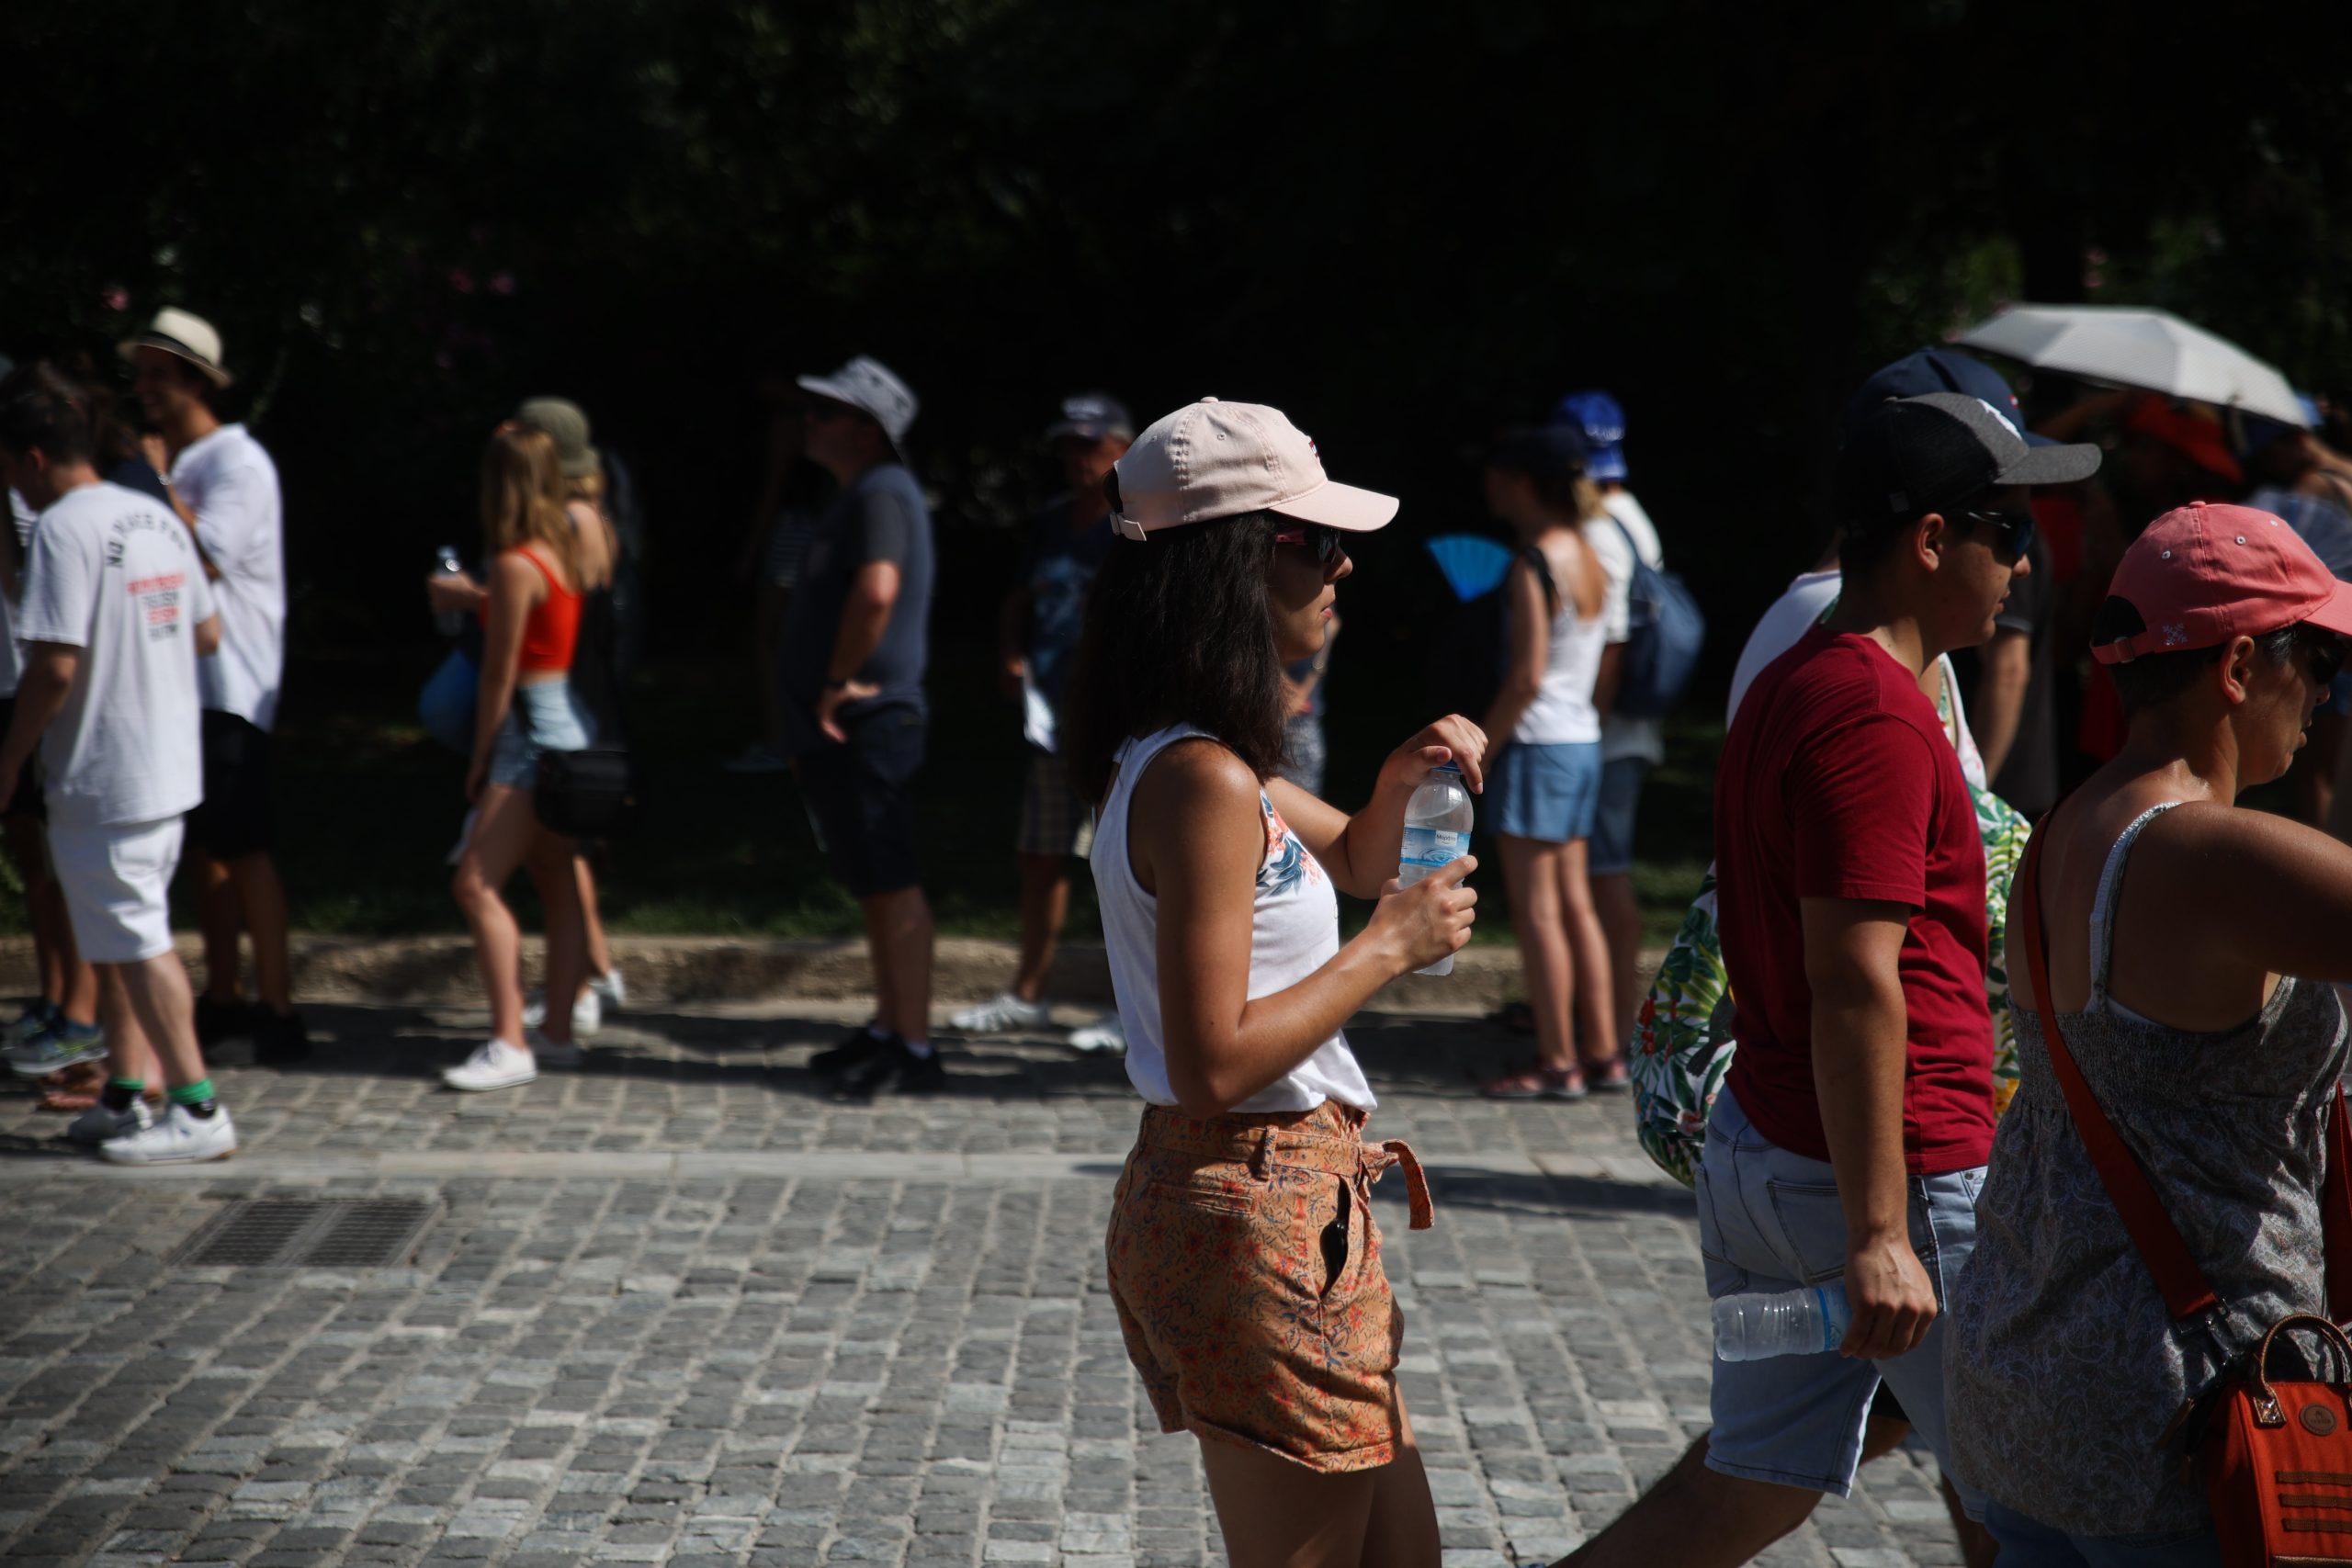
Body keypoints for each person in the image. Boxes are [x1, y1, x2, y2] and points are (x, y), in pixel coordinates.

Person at [1563, 392, 2100, 1568]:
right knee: (2047, 1513)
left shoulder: (1799, 681)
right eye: (2007, 533)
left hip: (1772, 1157)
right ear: (1929, 540)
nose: (2024, 565)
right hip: (1899, 1185)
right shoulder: (1874, 718)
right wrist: (1879, 1233)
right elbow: (1855, 980)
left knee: (1744, 1487)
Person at [1063, 396, 1478, 1568]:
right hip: (1249, 1205)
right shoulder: (1197, 777)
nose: (1343, 564)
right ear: (1233, 563)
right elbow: (1211, 1064)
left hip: (1288, 1205)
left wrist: (1394, 784)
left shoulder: (1215, 762)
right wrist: (1386, 949)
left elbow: (1354, 861)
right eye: (1315, 539)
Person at [1948, 502, 2352, 1562]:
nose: (2324, 695)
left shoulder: (2057, 835)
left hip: (2026, 1377)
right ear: (2237, 666)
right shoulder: (2210, 856)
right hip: (2183, 1418)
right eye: (2317, 661)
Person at [0, 362, 231, 1163]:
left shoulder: (63, 529)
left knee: (137, 939)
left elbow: (54, 666)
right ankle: (126, 1092)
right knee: (122, 934)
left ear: (33, 459)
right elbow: (206, 632)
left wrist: (9, 760)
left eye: (8, 468)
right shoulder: (152, 513)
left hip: (107, 767)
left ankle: (198, 1108)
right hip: (163, 761)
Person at [123, 308, 305, 1065]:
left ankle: (278, 1009)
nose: (144, 389)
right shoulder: (189, 462)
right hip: (182, 687)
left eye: (159, 376)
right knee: (205, 851)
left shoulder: (238, 462)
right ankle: (224, 996)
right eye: (139, 375)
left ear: (198, 382)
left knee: (247, 847)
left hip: (233, 683)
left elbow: (208, 557)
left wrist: (158, 480)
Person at [778, 355, 941, 1099]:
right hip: (851, 719)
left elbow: (877, 591)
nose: (809, 422)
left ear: (869, 431)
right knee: (872, 881)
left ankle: (914, 1045)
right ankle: (889, 1027)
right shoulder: (865, 492)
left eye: (827, 412)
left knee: (892, 878)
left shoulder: (881, 491)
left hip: (869, 715)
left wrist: (836, 683)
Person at [952, 393, 1133, 1042]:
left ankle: (1133, 1006)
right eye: (1069, 448)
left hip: (1116, 724)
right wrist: (1011, 653)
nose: (1079, 460)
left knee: (1126, 866)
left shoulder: (1137, 524)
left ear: (1123, 449)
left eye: (1091, 446)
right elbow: (1018, 599)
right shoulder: (1055, 520)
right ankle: (1029, 993)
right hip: (1052, 719)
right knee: (1040, 854)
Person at [440, 424, 606, 1091]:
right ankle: (556, 1032)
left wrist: (480, 758)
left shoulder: (515, 564)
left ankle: (510, 1040)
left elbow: (497, 675)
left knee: (475, 884)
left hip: (528, 735)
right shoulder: (567, 548)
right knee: (558, 881)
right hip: (568, 724)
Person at [1476, 426, 1617, 1100]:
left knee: (1538, 913)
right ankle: (1604, 1052)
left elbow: (1527, 677)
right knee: (1576, 905)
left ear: (1524, 484)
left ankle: (1557, 1060)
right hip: (1581, 740)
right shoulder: (1588, 551)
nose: (1490, 486)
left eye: (1498, 475)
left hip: (1538, 744)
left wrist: (1478, 747)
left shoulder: (1532, 562)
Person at [1550, 389, 1663, 1066]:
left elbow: (1613, 644)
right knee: (1594, 879)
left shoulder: (1599, 527)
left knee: (1603, 878)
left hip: (1606, 735)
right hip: (1621, 732)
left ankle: (1614, 1026)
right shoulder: (1633, 517)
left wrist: (1586, 726)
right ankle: (1598, 1018)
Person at [512, 398, 626, 1036]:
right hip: (582, 692)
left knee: (561, 849)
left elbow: (560, 605)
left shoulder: (574, 519)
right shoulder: (591, 512)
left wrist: (481, 597)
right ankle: (592, 973)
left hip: (572, 694)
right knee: (560, 849)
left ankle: (581, 984)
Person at [728, 379, 829, 774]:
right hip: (823, 535)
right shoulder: (830, 421)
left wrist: (750, 552)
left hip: (793, 533)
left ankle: (780, 740)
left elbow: (773, 490)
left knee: (770, 640)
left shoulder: (790, 424)